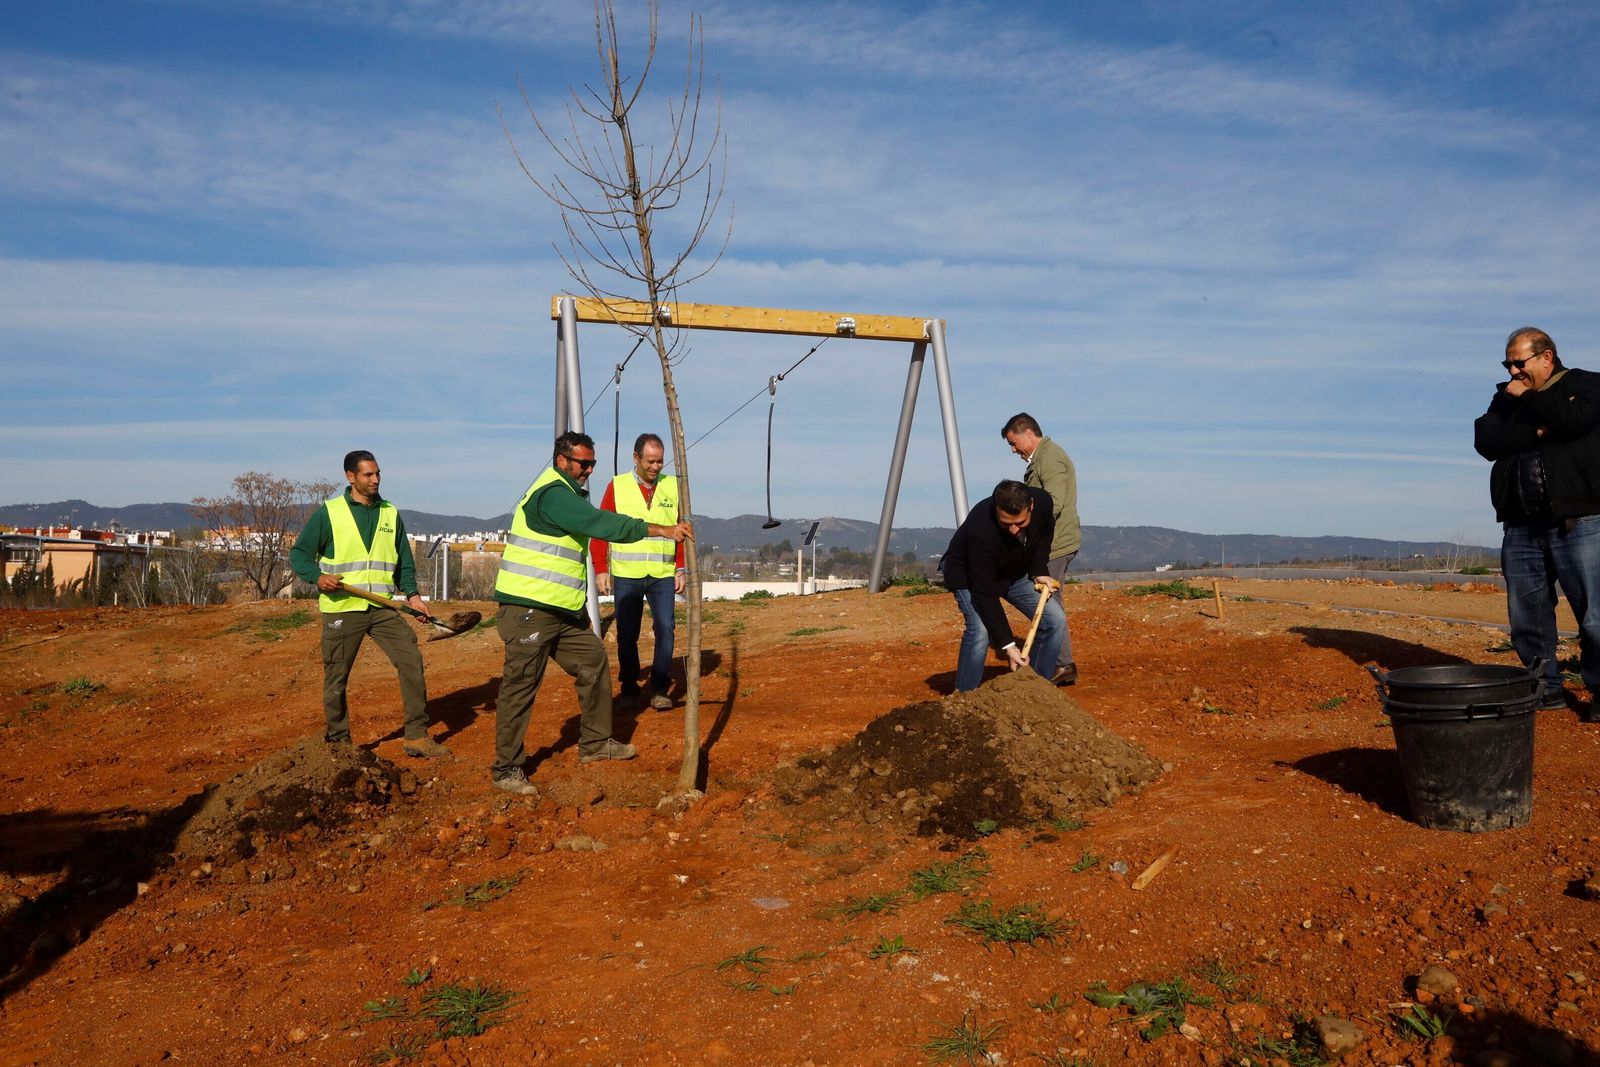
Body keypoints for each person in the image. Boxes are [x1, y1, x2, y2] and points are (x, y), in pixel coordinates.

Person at [490, 431, 694, 795]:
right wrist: (659, 530)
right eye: (583, 463)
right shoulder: (552, 494)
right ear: (561, 461)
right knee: (521, 685)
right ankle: (507, 768)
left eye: (592, 464)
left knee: (593, 660)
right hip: (528, 609)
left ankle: (596, 743)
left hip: (561, 611)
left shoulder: (568, 492)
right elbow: (603, 524)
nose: (588, 470)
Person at [1474, 327, 1600, 721]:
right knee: (1527, 617)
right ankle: (1544, 687)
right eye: (1507, 363)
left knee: (1595, 616)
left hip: (1579, 522)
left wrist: (1529, 400)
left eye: (1519, 362)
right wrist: (1538, 430)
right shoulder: (1504, 396)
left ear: (1546, 357)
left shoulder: (1585, 384)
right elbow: (1486, 439)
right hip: (1521, 526)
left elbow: (1574, 419)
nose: (1512, 371)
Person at [289, 450, 448, 756]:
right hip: (342, 607)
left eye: (377, 474)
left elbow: (404, 561)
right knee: (337, 676)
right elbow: (299, 555)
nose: (376, 479)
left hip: (382, 608)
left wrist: (414, 596)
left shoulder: (389, 512)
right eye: (368, 475)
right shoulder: (329, 513)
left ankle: (416, 736)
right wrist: (317, 577)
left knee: (411, 662)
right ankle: (339, 743)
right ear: (351, 477)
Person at [940, 479, 1064, 693]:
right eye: (1006, 524)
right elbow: (984, 594)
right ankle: (964, 699)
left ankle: (1036, 690)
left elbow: (1045, 533)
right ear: (996, 509)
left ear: (1031, 506)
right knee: (980, 631)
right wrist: (1009, 646)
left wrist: (1038, 571)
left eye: (1020, 523)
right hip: (970, 576)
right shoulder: (980, 528)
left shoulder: (1043, 502)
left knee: (1055, 619)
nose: (1014, 530)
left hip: (1012, 571)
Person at [592, 433, 685, 711]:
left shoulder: (674, 486)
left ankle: (659, 686)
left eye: (660, 461)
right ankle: (630, 686)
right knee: (627, 633)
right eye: (650, 461)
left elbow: (682, 528)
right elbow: (600, 529)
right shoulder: (617, 486)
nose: (656, 467)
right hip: (627, 573)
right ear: (636, 458)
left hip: (662, 573)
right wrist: (601, 568)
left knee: (666, 628)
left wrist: (680, 568)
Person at [1001, 412, 1082, 686]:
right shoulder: (1041, 459)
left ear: (1027, 434)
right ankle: (1057, 659)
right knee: (1048, 604)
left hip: (1056, 544)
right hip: (1049, 543)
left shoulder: (1050, 458)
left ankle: (1062, 664)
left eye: (1014, 443)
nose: (1013, 450)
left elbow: (1054, 503)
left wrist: (1027, 525)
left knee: (1050, 604)